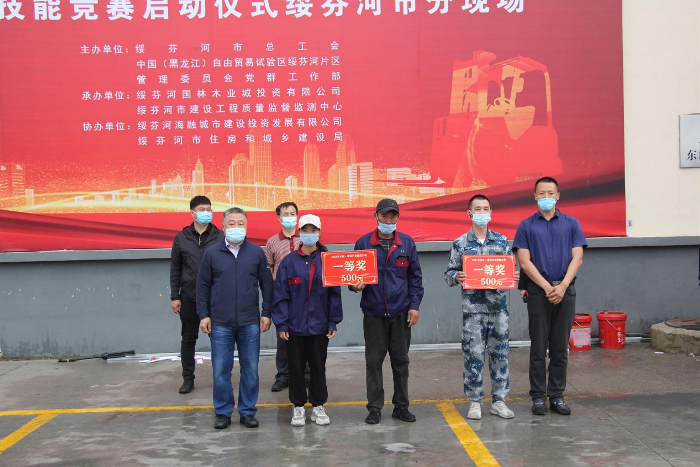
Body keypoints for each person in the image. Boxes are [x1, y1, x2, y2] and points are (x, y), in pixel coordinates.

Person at [513, 177, 586, 416]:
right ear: (535, 196)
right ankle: (537, 397)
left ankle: (556, 395)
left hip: (565, 291)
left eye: (550, 193)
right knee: (538, 347)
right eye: (541, 193)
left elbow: (578, 257)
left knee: (559, 347)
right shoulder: (526, 226)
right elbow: (524, 261)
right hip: (538, 293)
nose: (546, 197)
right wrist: (546, 287)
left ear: (558, 196)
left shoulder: (571, 224)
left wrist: (562, 286)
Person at [196, 207, 273, 429]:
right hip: (220, 322)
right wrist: (204, 315)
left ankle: (247, 411)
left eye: (241, 223)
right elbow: (202, 287)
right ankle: (223, 411)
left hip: (250, 322)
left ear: (246, 226)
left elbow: (267, 285)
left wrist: (266, 312)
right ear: (223, 226)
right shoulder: (212, 253)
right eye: (232, 223)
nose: (236, 227)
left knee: (250, 369)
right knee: (221, 369)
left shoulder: (256, 253)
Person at [350, 199, 424, 425]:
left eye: (393, 216)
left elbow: (415, 279)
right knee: (373, 362)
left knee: (401, 362)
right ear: (376, 216)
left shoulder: (407, 244)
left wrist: (414, 306)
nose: (389, 220)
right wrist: (355, 286)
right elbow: (352, 279)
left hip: (400, 313)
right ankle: (374, 408)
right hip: (374, 314)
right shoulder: (363, 244)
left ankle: (401, 406)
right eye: (384, 216)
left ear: (398, 218)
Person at [444, 194, 517, 420]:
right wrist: (457, 276)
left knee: (500, 354)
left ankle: (499, 400)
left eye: (486, 208)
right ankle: (475, 401)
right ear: (469, 213)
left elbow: (510, 270)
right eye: (478, 209)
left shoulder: (501, 242)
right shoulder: (460, 243)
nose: (482, 213)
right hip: (473, 311)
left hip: (498, 310)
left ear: (491, 212)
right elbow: (448, 275)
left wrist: (514, 275)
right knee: (473, 355)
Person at [272, 214, 343, 426]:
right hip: (295, 327)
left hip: (320, 326)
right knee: (295, 367)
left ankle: (318, 405)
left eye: (313, 230)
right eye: (305, 230)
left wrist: (333, 321)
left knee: (318, 367)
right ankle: (298, 406)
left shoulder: (327, 260)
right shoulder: (289, 262)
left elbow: (334, 294)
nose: (309, 234)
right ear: (299, 233)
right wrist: (282, 323)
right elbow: (281, 295)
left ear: (319, 233)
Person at [169, 196, 224, 394]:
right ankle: (187, 379)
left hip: (215, 297)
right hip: (189, 296)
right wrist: (175, 296)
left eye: (209, 209)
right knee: (188, 339)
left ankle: (220, 378)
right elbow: (176, 268)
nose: (206, 213)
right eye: (202, 209)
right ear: (192, 213)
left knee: (218, 340)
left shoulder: (220, 236)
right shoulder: (182, 238)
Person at [265, 202, 309, 392]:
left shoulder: (306, 238)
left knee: (307, 335)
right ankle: (283, 376)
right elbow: (269, 270)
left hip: (306, 295)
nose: (290, 217)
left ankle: (306, 375)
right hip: (282, 295)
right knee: (283, 337)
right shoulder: (272, 242)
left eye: (293, 213)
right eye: (286, 214)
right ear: (279, 218)